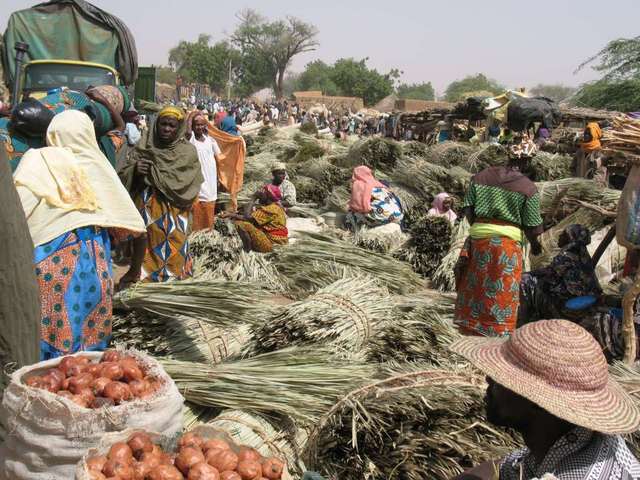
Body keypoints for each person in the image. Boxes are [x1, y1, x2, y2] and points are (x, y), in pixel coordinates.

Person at [13, 110, 145, 359]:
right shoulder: (98, 164)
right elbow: (133, 224)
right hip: (95, 262)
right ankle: (84, 384)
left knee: (49, 332)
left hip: (49, 259)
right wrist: (134, 269)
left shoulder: (39, 160)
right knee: (88, 342)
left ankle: (45, 383)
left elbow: (18, 206)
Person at [450, 319, 640, 480]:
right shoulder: (570, 438)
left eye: (501, 379)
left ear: (537, 403)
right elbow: (512, 465)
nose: (488, 379)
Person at [454, 155, 543, 337]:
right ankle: (498, 331)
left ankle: (472, 326)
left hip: (479, 241)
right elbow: (532, 226)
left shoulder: (481, 177)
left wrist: (481, 228)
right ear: (527, 165)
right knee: (501, 289)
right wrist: (535, 246)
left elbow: (468, 210)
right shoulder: (528, 188)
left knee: (476, 284)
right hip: (506, 246)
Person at [117, 106, 203, 287]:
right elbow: (123, 174)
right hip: (148, 211)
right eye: (163, 124)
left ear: (178, 127)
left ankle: (172, 286)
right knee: (145, 246)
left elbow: (191, 184)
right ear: (156, 125)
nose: (166, 129)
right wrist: (135, 170)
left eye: (172, 126)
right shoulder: (145, 147)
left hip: (176, 213)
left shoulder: (188, 152)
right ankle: (143, 284)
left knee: (174, 245)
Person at [519, 224, 602, 326]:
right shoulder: (584, 256)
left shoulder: (567, 256)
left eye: (563, 235)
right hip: (590, 303)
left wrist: (526, 274)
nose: (559, 237)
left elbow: (548, 273)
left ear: (570, 238)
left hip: (568, 308)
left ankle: (526, 320)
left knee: (525, 280)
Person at [186, 110, 222, 231]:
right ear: (192, 126)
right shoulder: (191, 140)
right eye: (197, 124)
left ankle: (207, 238)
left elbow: (220, 158)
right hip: (198, 184)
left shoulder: (210, 140)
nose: (200, 127)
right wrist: (192, 114)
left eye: (202, 124)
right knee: (197, 214)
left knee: (209, 213)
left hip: (211, 185)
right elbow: (187, 131)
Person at [230, 184, 288, 253]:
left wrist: (253, 198)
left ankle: (247, 252)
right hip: (278, 242)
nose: (259, 194)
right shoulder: (276, 207)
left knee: (242, 225)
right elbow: (252, 218)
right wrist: (232, 215)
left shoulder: (271, 209)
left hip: (271, 244)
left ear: (268, 196)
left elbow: (247, 217)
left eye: (262, 192)